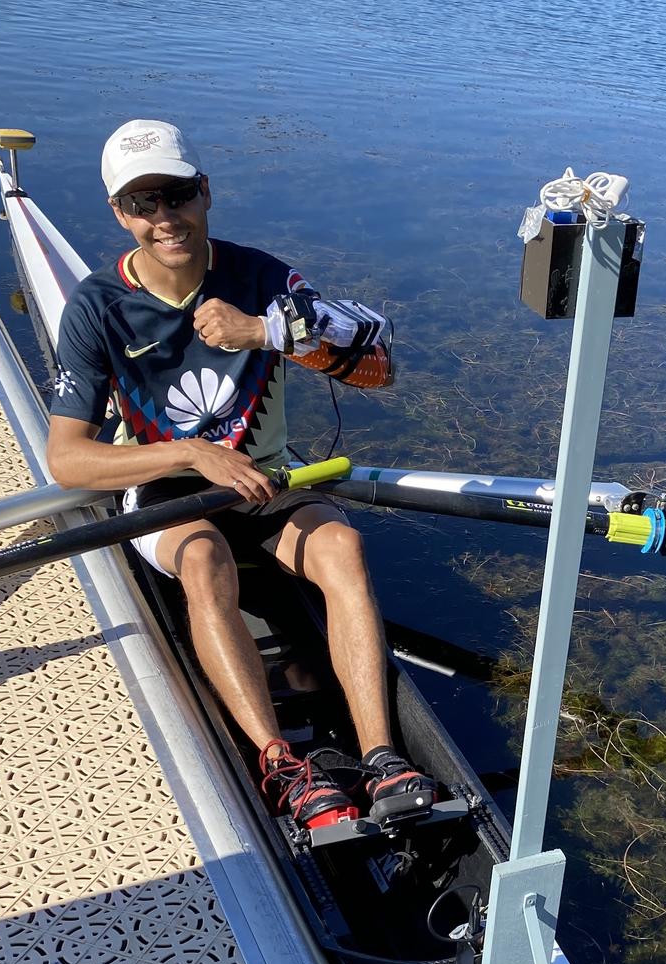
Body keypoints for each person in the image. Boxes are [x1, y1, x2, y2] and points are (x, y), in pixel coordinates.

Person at [47, 119, 435, 830]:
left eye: (177, 194)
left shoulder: (263, 278)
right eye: (143, 203)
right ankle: (282, 763)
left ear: (205, 191)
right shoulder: (97, 306)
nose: (165, 217)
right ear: (119, 213)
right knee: (205, 557)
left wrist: (266, 331)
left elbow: (379, 359)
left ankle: (381, 755)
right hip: (165, 488)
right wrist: (194, 453)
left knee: (343, 547)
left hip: (267, 480)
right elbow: (69, 458)